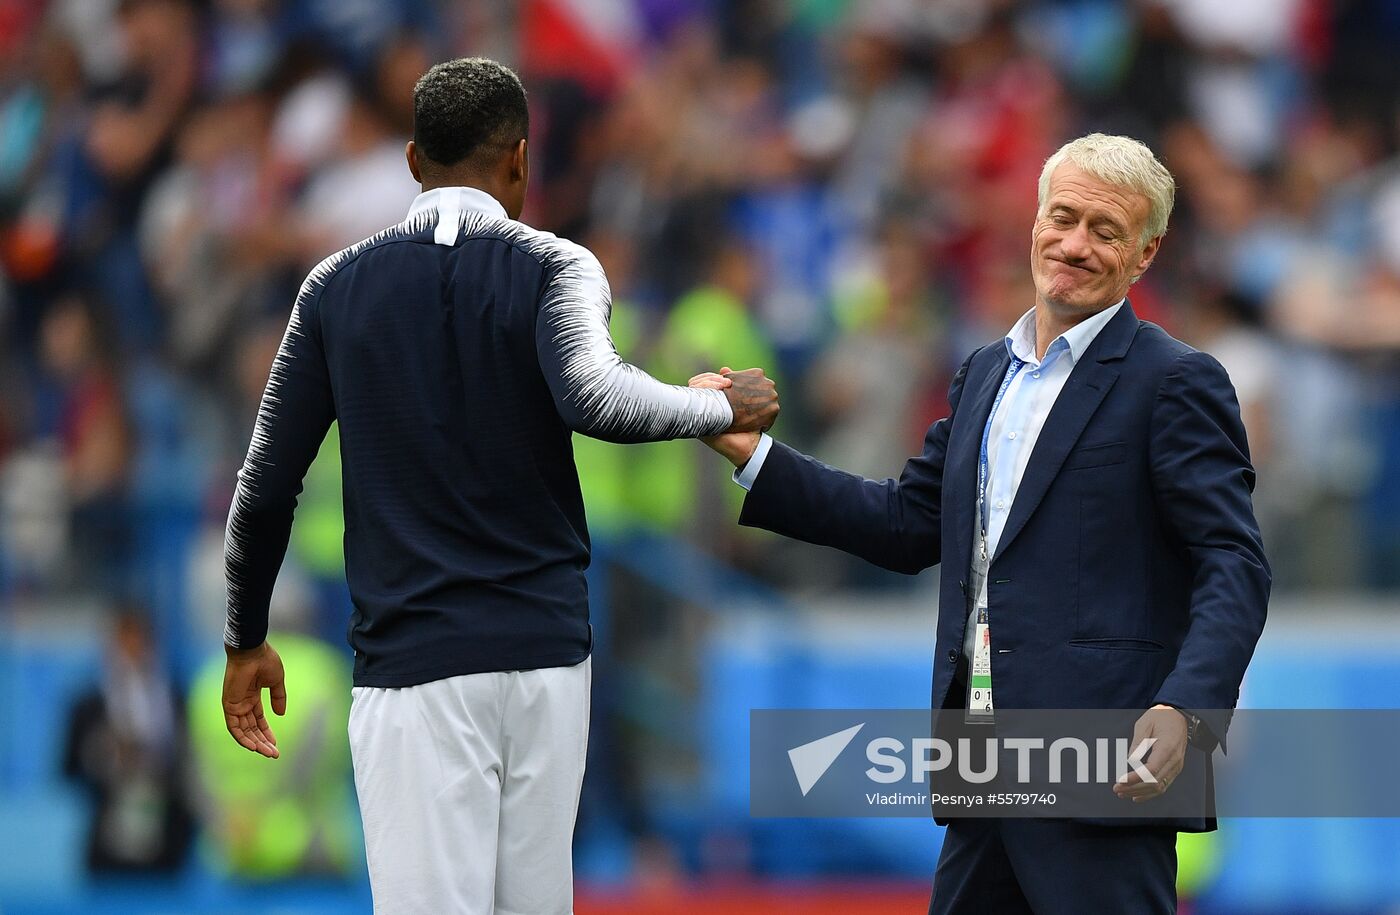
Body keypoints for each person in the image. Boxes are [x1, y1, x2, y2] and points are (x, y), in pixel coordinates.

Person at [218, 57, 778, 915]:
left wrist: (245, 636)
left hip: (413, 669)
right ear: (520, 159)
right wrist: (712, 405)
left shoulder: (333, 288)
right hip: (547, 660)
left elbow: (263, 487)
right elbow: (596, 396)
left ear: (412, 163)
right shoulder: (558, 265)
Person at [698, 133, 1269, 913]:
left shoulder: (1176, 381)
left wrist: (1187, 710)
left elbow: (1234, 562)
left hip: (1100, 769)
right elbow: (907, 523)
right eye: (1063, 218)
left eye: (1105, 232)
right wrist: (754, 454)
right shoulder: (982, 375)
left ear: (1145, 255)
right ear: (1035, 221)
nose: (1074, 244)